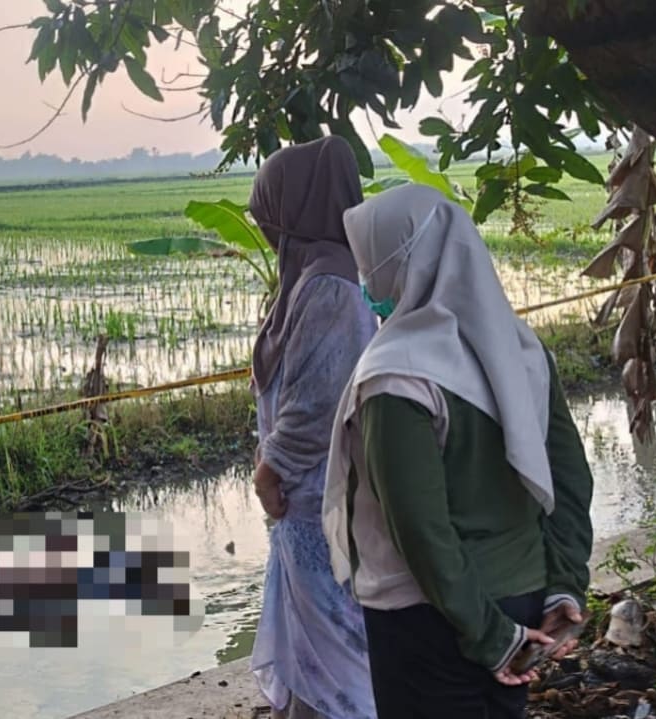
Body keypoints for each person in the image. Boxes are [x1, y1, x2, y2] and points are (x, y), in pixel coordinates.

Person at [323, 183, 595, 718]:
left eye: (368, 264)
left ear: (397, 261)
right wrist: (564, 584)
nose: (366, 282)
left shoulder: (395, 376)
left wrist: (492, 637)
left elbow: (421, 532)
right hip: (524, 599)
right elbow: (569, 478)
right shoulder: (520, 347)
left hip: (432, 618)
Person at [247, 136, 378, 719]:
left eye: (270, 209)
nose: (265, 224)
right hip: (310, 501)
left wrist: (270, 470)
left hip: (317, 501)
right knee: (316, 644)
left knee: (335, 647)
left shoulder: (327, 285)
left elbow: (318, 401)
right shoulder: (321, 275)